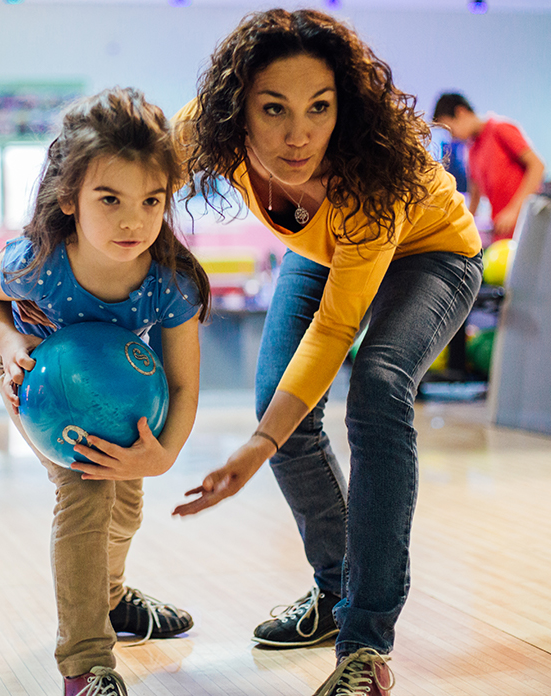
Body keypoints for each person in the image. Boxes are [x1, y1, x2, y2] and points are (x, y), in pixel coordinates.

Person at [171, 9, 482, 695]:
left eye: (320, 108)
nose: (298, 134)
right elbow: (122, 166)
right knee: (278, 404)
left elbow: (335, 333)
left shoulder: (371, 178)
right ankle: (335, 589)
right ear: (237, 109)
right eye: (274, 109)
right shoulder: (206, 130)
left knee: (376, 385)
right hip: (323, 251)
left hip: (431, 254)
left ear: (344, 105)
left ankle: (364, 646)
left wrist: (254, 446)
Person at [0, 87, 210, 696]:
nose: (133, 220)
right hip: (42, 389)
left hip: (124, 399)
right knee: (86, 497)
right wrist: (5, 341)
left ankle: (115, 600)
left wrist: (165, 454)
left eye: (151, 200)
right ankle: (86, 662)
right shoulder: (37, 262)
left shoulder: (168, 281)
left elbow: (182, 382)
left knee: (126, 506)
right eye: (110, 199)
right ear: (70, 199)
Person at [433, 92, 545, 242]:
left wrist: (514, 211)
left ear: (461, 112)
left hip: (525, 227)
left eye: (451, 129)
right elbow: (475, 193)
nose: (452, 137)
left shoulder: (500, 129)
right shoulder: (471, 149)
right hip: (501, 232)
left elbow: (537, 166)